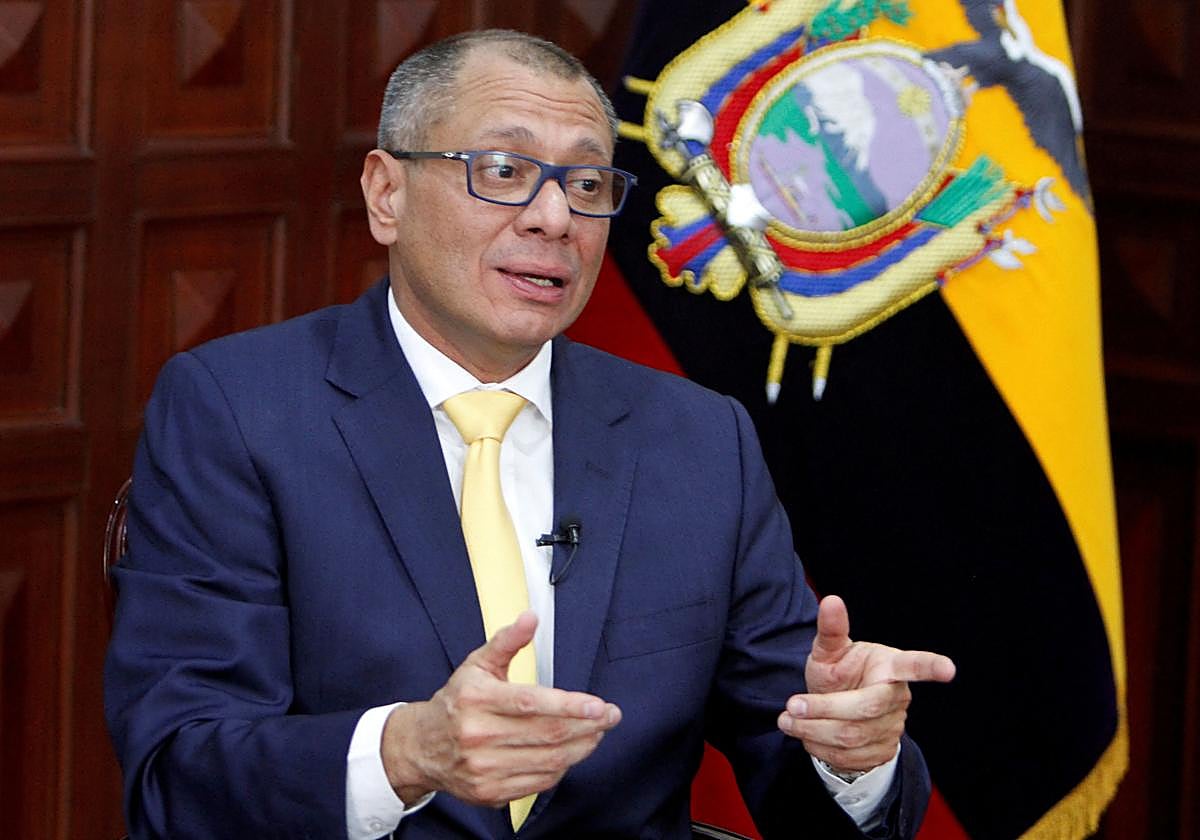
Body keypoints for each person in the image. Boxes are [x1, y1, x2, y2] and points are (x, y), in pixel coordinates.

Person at [104, 29, 956, 840]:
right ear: (386, 193)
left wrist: (855, 756)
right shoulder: (237, 410)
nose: (554, 218)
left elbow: (797, 778)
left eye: (588, 186)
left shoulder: (698, 440)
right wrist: (406, 755)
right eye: (504, 170)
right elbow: (180, 777)